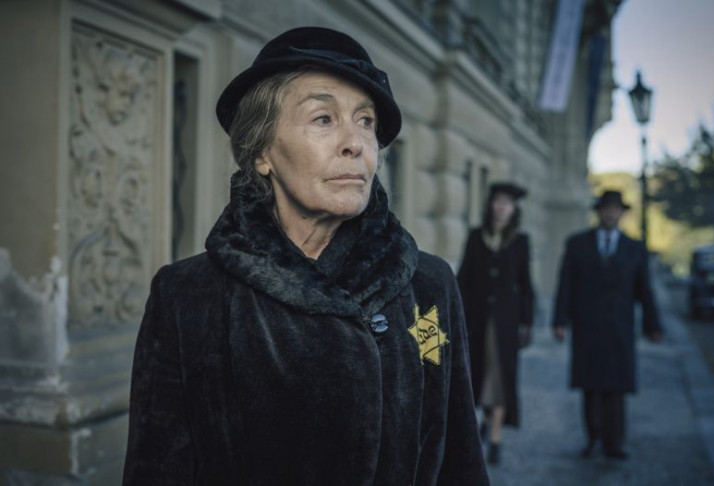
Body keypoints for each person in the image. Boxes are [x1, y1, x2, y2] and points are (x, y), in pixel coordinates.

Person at [122, 27, 488, 485]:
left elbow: (460, 460)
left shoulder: (430, 284)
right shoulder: (188, 296)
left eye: (365, 121)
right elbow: (157, 470)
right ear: (262, 153)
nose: (355, 142)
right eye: (323, 118)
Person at [552, 190, 663, 460]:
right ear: (599, 212)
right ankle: (592, 438)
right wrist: (560, 321)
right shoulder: (578, 244)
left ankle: (614, 443)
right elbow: (565, 284)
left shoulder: (634, 248)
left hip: (619, 329)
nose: (611, 213)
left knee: (616, 388)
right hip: (587, 327)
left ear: (621, 213)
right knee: (590, 386)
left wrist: (653, 325)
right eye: (606, 208)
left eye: (616, 209)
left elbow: (644, 290)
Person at [457, 182, 535, 464]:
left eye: (507, 203)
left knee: (501, 378)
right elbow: (463, 278)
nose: (502, 207)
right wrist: (455, 312)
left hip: (505, 323)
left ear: (514, 209)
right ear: (491, 205)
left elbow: (525, 285)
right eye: (498, 201)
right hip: (476, 320)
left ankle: (496, 438)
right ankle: (485, 421)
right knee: (479, 374)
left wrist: (527, 322)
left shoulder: (520, 241)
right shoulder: (476, 237)